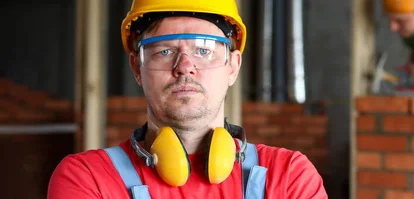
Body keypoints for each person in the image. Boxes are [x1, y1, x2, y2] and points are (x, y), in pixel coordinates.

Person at [47, 0, 328, 198]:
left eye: (204, 50)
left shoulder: (289, 177)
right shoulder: (88, 178)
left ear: (233, 66)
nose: (184, 66)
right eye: (164, 51)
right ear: (136, 68)